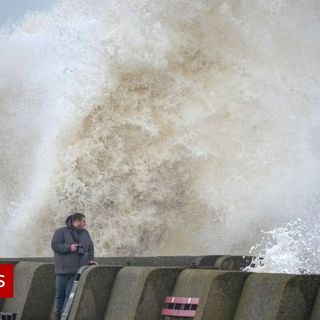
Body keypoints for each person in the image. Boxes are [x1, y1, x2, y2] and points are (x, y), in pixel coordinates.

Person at [51, 212, 96, 319]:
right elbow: (55, 245)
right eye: (83, 221)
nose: (85, 223)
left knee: (69, 297)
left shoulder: (85, 233)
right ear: (76, 221)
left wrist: (91, 260)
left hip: (78, 271)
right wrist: (69, 248)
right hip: (63, 271)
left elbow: (90, 248)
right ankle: (58, 316)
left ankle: (64, 317)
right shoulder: (61, 232)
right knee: (60, 296)